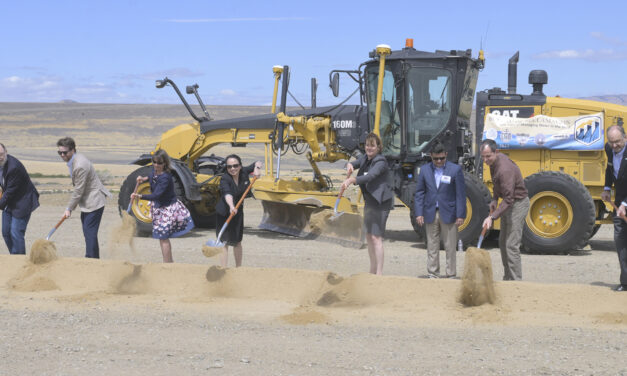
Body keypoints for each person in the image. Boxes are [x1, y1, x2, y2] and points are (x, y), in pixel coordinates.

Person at [342, 132, 394, 275]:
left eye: (372, 146)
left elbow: (371, 176)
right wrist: (349, 165)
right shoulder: (365, 158)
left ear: (378, 147)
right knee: (369, 236)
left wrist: (353, 180)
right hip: (370, 201)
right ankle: (372, 270)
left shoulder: (380, 162)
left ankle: (379, 273)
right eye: (367, 145)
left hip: (380, 202)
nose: (369, 148)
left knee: (377, 238)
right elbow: (354, 163)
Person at [131, 150, 194, 263]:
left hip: (167, 210)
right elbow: (151, 177)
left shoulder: (165, 177)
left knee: (163, 237)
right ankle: (168, 262)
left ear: (165, 163)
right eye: (154, 162)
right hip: (159, 208)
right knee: (162, 237)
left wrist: (138, 196)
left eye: (159, 163)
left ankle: (167, 263)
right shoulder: (155, 172)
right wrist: (143, 179)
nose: (156, 165)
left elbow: (156, 195)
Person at [414, 141, 466, 278]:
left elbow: (460, 194)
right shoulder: (424, 170)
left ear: (446, 155)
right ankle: (433, 273)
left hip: (449, 213)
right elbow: (419, 193)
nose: (439, 161)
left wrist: (460, 215)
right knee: (432, 245)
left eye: (442, 158)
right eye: (436, 158)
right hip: (430, 212)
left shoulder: (455, 170)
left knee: (450, 246)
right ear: (431, 156)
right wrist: (419, 213)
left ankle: (451, 274)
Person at [480, 139, 529, 281]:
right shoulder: (493, 162)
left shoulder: (504, 169)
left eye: (488, 156)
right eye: (483, 156)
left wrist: (492, 217)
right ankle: (508, 278)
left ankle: (516, 282)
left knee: (511, 245)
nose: (485, 160)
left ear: (496, 152)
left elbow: (509, 199)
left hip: (518, 203)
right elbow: (497, 184)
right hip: (509, 203)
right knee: (502, 242)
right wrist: (495, 199)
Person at [57, 137, 110, 259]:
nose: (62, 155)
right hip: (87, 202)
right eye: (60, 152)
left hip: (94, 201)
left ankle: (91, 259)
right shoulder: (74, 161)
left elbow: (78, 190)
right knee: (88, 232)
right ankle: (93, 258)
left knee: (89, 232)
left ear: (73, 150)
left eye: (65, 152)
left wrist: (69, 208)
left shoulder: (80, 165)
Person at [215, 154, 262, 267]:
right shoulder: (225, 178)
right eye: (229, 166)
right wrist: (231, 206)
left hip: (238, 212)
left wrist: (257, 169)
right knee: (224, 242)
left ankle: (238, 268)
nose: (232, 169)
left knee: (237, 241)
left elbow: (258, 162)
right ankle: (223, 269)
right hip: (224, 212)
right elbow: (227, 194)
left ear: (240, 166)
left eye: (235, 165)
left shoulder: (244, 172)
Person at [0, 143, 40, 254]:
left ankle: (20, 260)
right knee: (6, 232)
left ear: (6, 152)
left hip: (23, 201)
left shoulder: (14, 168)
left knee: (16, 232)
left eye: (2, 154)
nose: (0, 157)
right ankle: (15, 257)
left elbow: (9, 193)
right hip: (9, 202)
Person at [601, 125, 627, 292]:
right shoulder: (609, 149)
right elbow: (609, 169)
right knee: (620, 241)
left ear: (625, 137)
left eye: (617, 142)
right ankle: (625, 282)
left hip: (625, 203)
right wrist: (606, 188)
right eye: (612, 142)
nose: (615, 145)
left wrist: (625, 204)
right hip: (619, 202)